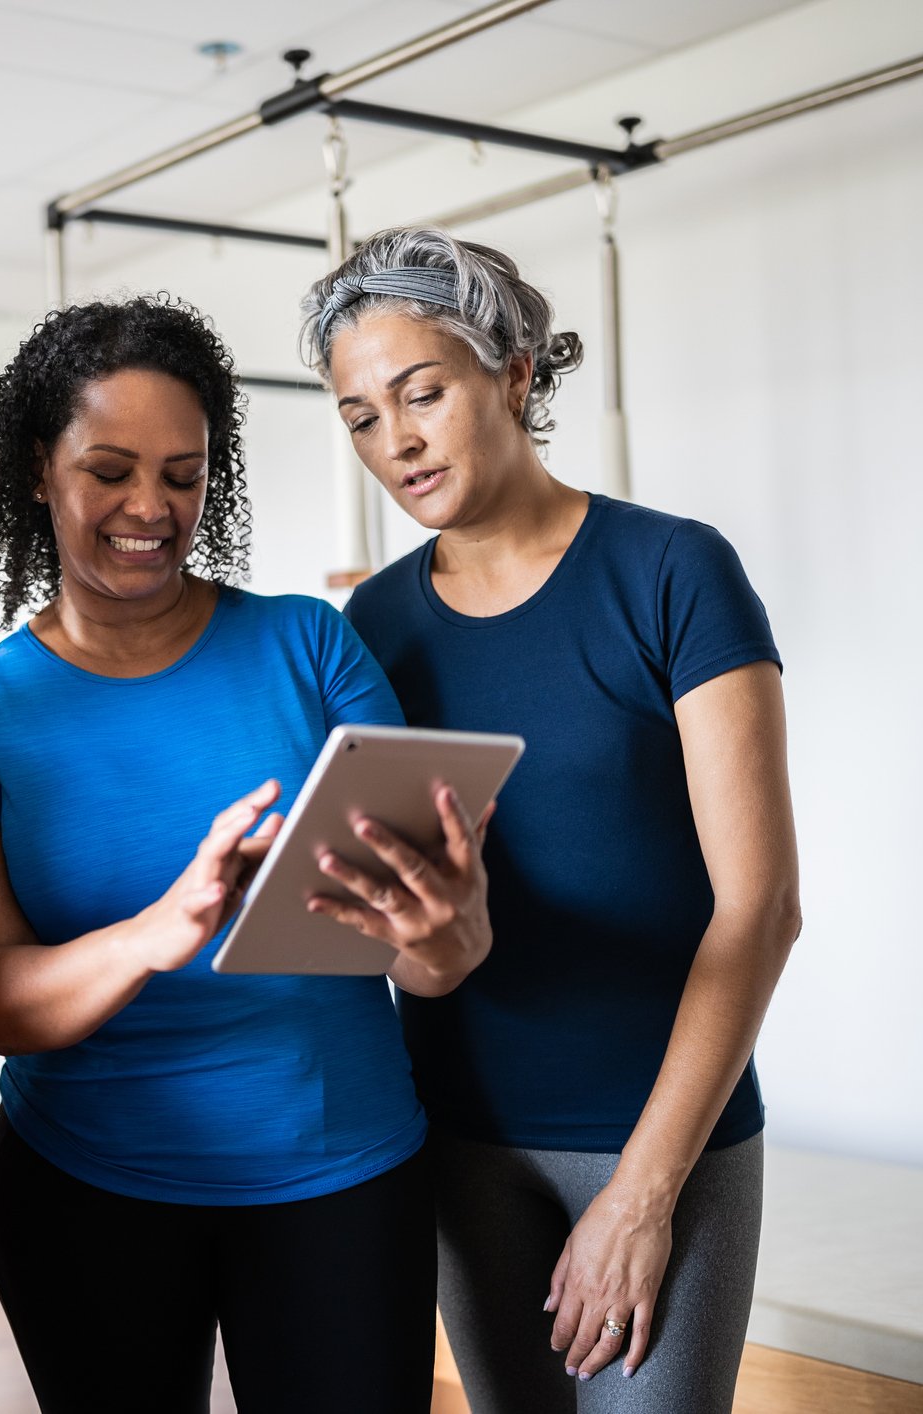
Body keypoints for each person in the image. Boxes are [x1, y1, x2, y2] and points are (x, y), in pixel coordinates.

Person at [0, 294, 492, 1414]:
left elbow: (437, 958)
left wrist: (443, 936)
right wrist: (157, 933)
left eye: (183, 475)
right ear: (40, 470)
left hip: (343, 1177)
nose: (150, 507)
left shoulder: (310, 646)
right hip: (89, 1192)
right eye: (111, 470)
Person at [300, 228, 803, 1414]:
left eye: (422, 392)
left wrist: (643, 1190)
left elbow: (762, 907)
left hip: (665, 1140)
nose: (398, 441)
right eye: (362, 416)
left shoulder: (673, 571)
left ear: (514, 371)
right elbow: (378, 919)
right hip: (460, 1143)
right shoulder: (371, 623)